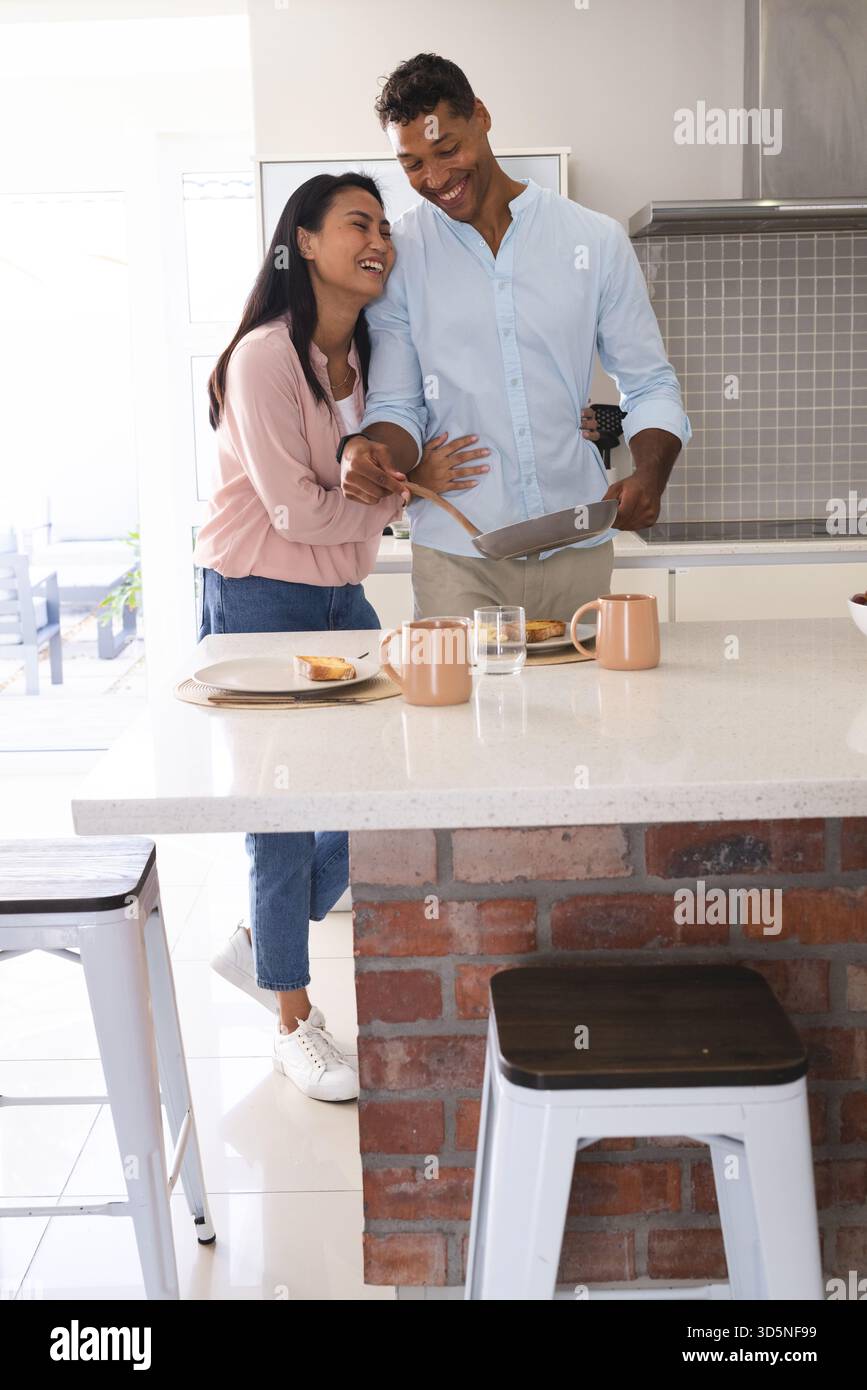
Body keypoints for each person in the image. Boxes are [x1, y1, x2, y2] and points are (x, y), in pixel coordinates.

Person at [193, 173, 413, 1102]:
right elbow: (293, 512)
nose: (379, 240)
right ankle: (293, 1020)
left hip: (338, 599)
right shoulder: (262, 359)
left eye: (385, 227)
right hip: (255, 598)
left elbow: (362, 495)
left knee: (391, 786)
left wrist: (388, 492)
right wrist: (392, 500)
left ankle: (261, 945)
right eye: (358, 223)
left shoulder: (369, 358)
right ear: (306, 242)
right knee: (281, 818)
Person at [340, 53, 692, 620]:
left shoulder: (594, 241)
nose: (435, 179)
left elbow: (649, 383)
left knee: (588, 683)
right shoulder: (401, 257)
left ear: (481, 116)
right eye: (412, 164)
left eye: (447, 150)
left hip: (578, 544)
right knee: (456, 684)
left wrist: (650, 474)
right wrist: (372, 452)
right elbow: (397, 405)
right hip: (457, 555)